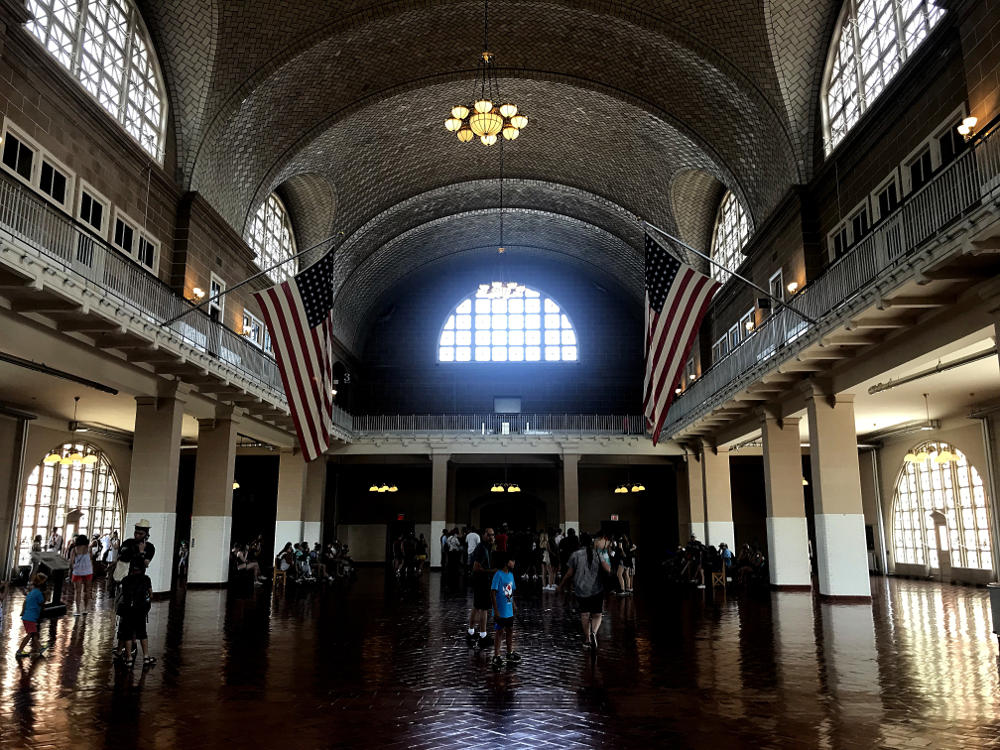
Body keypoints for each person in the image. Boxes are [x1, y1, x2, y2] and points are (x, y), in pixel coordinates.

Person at [558, 532, 611, 649]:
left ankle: (587, 639)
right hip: (597, 589)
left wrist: (561, 585)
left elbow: (569, 573)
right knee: (597, 614)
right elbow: (607, 569)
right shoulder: (597, 553)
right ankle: (594, 633)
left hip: (581, 589)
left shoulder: (575, 555)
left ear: (580, 542)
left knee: (585, 614)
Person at [116, 558, 155, 668]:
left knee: (127, 634)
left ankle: (128, 658)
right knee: (142, 633)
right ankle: (146, 657)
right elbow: (151, 595)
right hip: (141, 610)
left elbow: (122, 594)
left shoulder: (126, 579)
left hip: (128, 610)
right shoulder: (146, 579)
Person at [466, 527, 496, 649]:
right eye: (489, 535)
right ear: (483, 535)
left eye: (492, 535)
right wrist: (491, 571)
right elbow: (476, 567)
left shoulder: (485, 547)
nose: (491, 537)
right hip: (481, 581)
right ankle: (483, 636)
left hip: (479, 581)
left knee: (477, 606)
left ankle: (471, 631)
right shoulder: (481, 549)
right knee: (483, 608)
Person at [490, 555, 520, 670]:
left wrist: (513, 604)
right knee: (499, 632)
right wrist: (496, 610)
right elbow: (492, 592)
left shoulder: (511, 575)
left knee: (510, 630)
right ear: (507, 562)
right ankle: (496, 655)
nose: (514, 562)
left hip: (509, 611)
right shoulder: (498, 574)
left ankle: (509, 652)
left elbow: (511, 591)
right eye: (512, 560)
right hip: (500, 610)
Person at [17, 573, 47, 659]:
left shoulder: (32, 592)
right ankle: (19, 651)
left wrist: (23, 611)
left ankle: (40, 648)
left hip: (28, 617)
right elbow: (42, 602)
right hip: (31, 618)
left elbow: (25, 602)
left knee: (34, 634)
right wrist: (46, 595)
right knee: (30, 634)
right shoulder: (38, 594)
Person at [67, 534, 94, 614]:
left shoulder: (74, 549)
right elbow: (91, 558)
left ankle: (78, 610)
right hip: (88, 571)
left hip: (77, 571)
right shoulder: (88, 548)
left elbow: (71, 562)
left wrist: (71, 569)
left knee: (77, 591)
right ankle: (85, 609)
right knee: (87, 590)